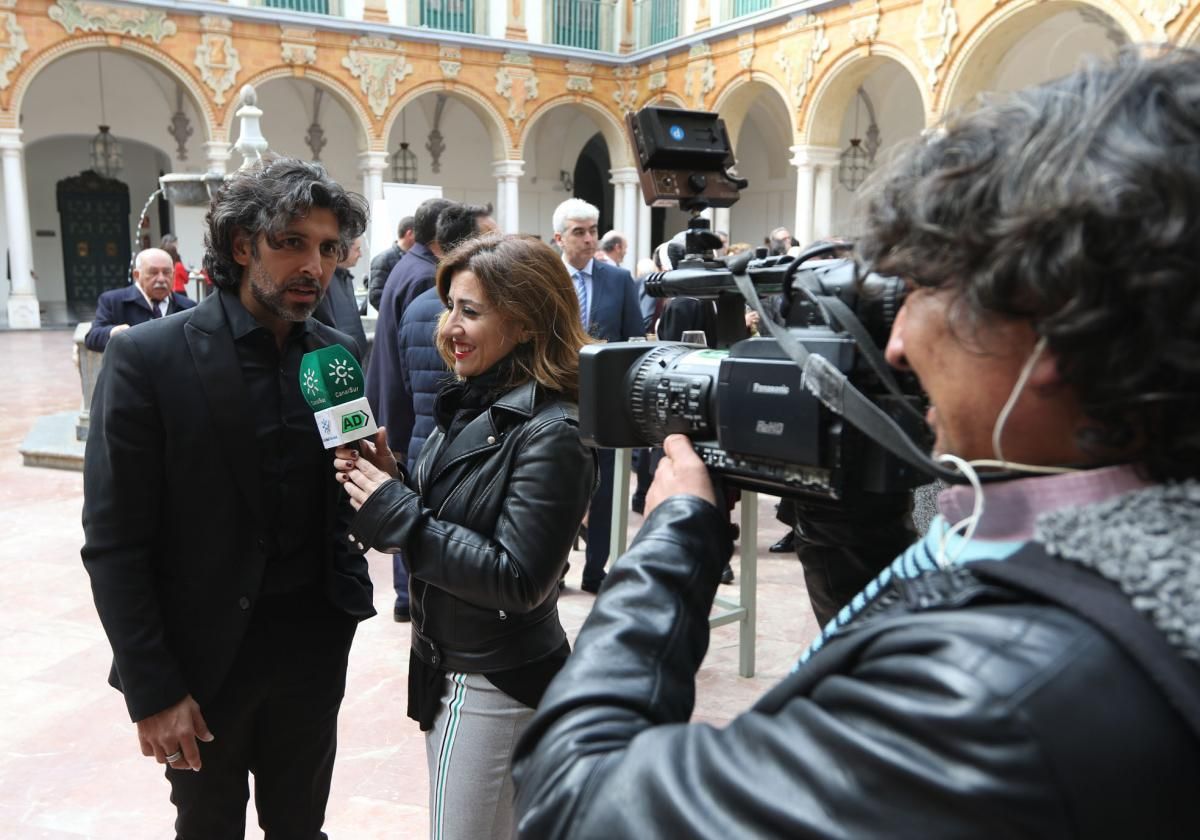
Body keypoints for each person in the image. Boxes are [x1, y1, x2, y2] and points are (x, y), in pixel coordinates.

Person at [511, 50, 1200, 836]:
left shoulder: (1000, 696)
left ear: (1051, 326)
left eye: (927, 288)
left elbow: (579, 801)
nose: (898, 344)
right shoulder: (1128, 564)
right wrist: (848, 516)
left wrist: (671, 542)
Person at [81, 157, 374, 838]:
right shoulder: (149, 358)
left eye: (329, 248)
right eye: (293, 242)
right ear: (242, 246)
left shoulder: (335, 353)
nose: (316, 266)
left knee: (301, 826)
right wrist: (153, 690)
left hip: (310, 648)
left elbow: (350, 497)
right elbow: (115, 542)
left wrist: (381, 486)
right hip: (203, 662)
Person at [335, 233, 596, 839]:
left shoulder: (551, 431)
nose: (448, 325)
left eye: (470, 311)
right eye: (450, 305)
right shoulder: (478, 399)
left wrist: (397, 510)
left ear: (528, 323)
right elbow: (459, 514)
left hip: (493, 682)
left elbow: (518, 578)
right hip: (451, 665)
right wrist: (394, 476)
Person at [387, 203, 498, 622]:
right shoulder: (453, 308)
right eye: (489, 237)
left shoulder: (418, 303)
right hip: (460, 448)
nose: (453, 325)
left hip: (424, 441)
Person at [367, 197, 453, 622]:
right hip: (418, 415)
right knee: (416, 507)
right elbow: (424, 365)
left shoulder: (408, 265)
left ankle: (406, 595)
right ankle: (409, 596)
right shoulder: (427, 280)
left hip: (398, 406)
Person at [553, 197, 642, 593]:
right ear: (559, 237)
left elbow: (634, 340)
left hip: (604, 405)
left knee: (605, 491)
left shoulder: (618, 280)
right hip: (554, 403)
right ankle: (554, 570)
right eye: (579, 232)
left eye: (593, 231)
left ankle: (596, 569)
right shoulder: (543, 280)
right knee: (555, 488)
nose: (590, 240)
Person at [84, 247, 196, 352]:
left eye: (166, 272)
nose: (161, 279)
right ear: (137, 275)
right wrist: (114, 333)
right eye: (153, 272)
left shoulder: (187, 306)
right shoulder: (113, 301)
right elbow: (92, 337)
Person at [314, 234, 369, 359]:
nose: (360, 255)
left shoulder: (346, 279)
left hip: (351, 357)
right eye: (357, 249)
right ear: (343, 250)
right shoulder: (325, 281)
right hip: (336, 359)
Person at [368, 215, 415, 310]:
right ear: (409, 234)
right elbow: (376, 296)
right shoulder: (383, 259)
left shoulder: (413, 259)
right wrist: (397, 314)